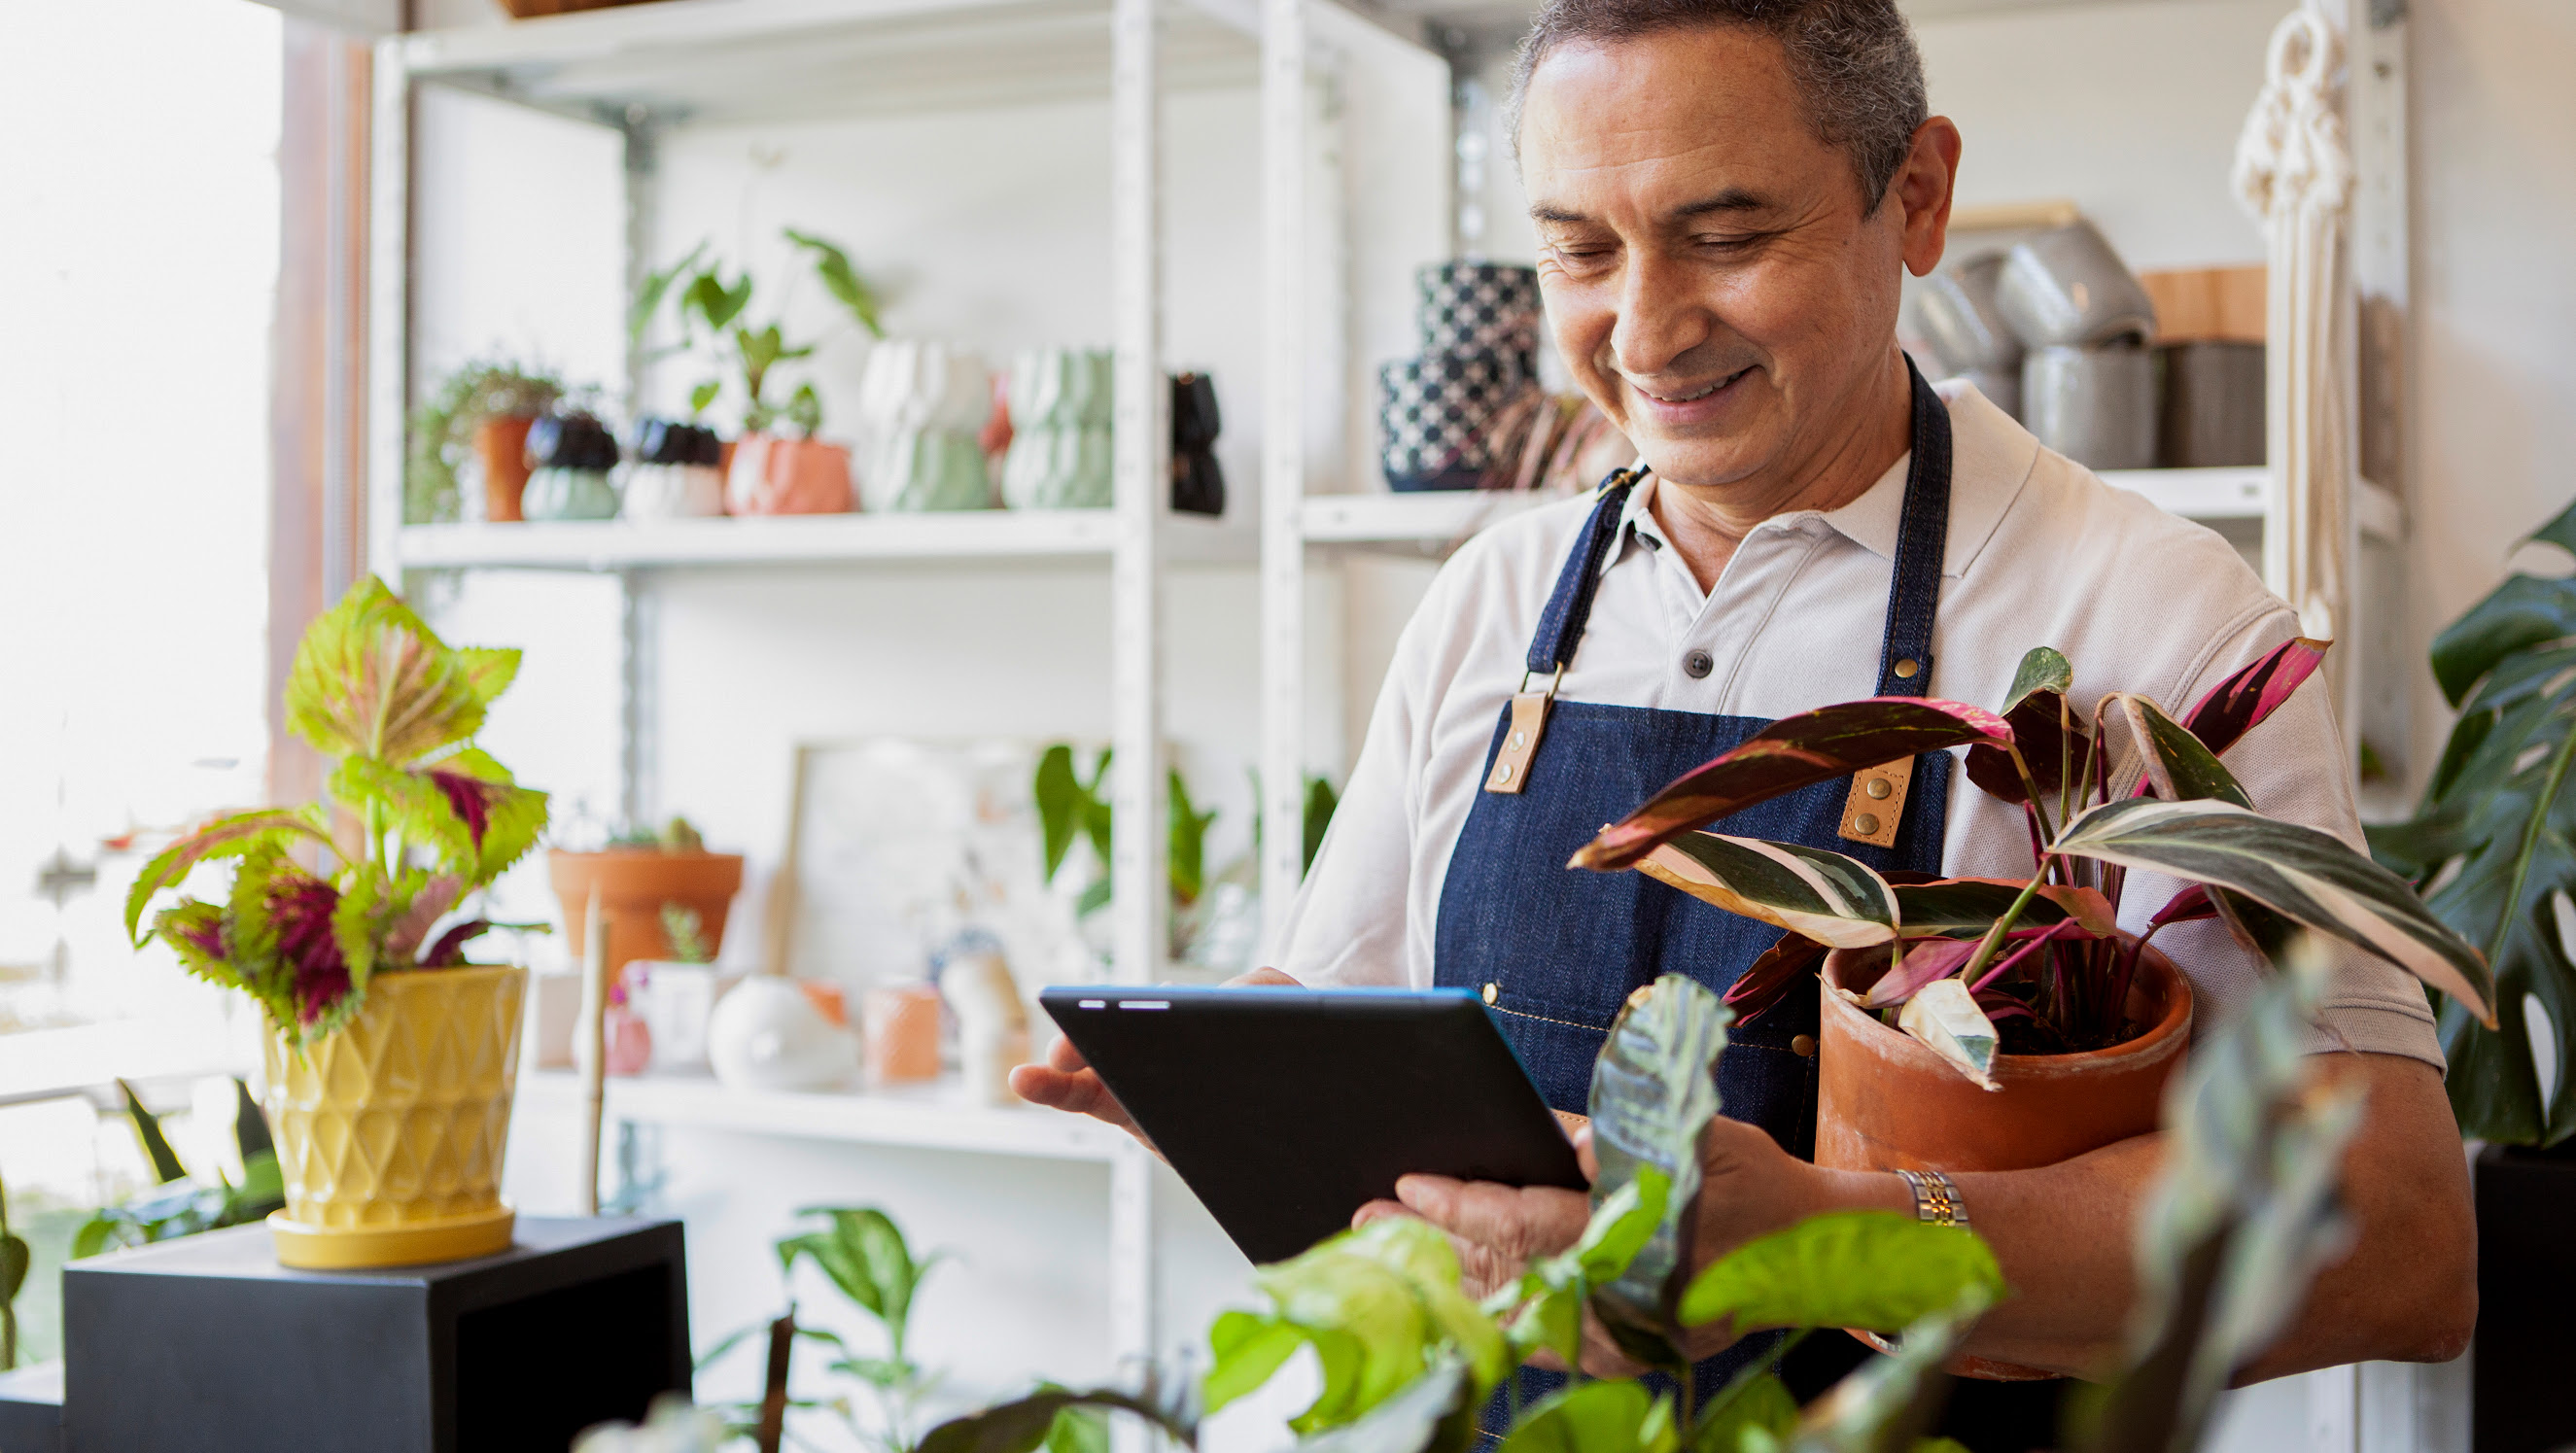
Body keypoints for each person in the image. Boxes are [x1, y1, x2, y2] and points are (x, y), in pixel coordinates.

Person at [1016, 0, 2476, 1443]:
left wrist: (1824, 1232)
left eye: (1724, 235)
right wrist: (1233, 1091)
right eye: (1579, 249)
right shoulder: (1494, 601)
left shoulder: (2150, 619)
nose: (1642, 328)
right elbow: (1342, 1017)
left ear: (1913, 196)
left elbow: (2397, 1245)